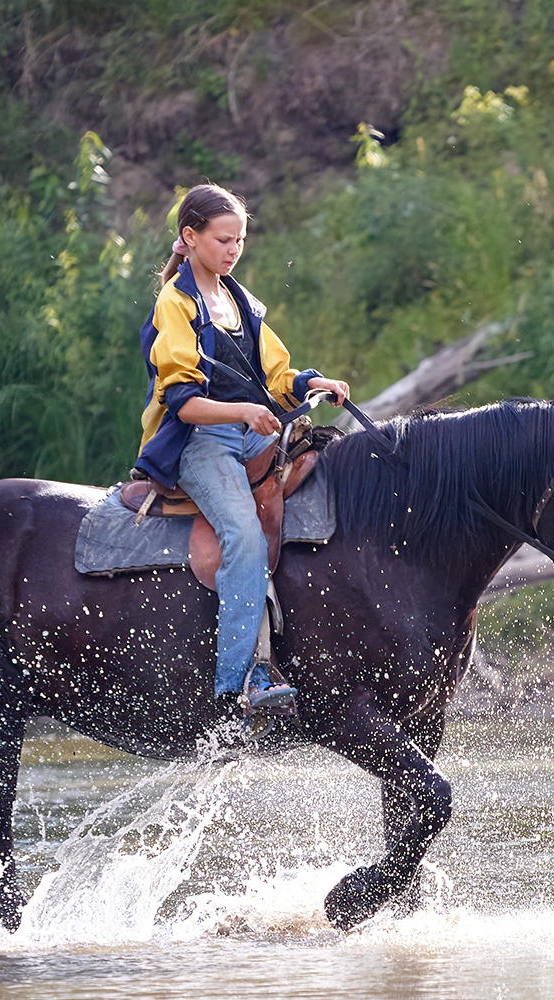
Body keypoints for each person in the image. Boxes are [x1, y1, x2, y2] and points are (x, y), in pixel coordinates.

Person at [133, 184, 349, 714]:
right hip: (199, 441)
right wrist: (245, 413)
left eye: (241, 240)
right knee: (245, 538)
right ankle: (242, 682)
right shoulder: (175, 303)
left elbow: (276, 374)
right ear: (190, 237)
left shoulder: (239, 300)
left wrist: (313, 384)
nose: (234, 250)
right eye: (224, 239)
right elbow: (183, 404)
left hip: (250, 431)